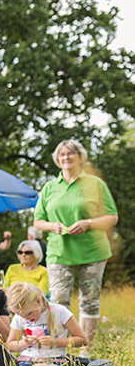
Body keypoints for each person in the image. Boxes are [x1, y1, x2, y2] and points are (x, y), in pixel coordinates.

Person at [34, 139, 118, 352]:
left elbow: (112, 217)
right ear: (57, 160)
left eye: (71, 153)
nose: (66, 157)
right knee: (58, 301)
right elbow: (38, 221)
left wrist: (87, 223)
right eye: (61, 154)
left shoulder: (95, 184)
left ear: (80, 157)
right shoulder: (50, 187)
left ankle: (86, 350)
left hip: (92, 251)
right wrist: (52, 225)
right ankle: (57, 349)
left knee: (89, 301)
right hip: (59, 253)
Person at [5, 282, 87, 366]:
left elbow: (82, 339)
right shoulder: (20, 317)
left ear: (38, 301)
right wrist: (25, 343)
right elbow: (11, 346)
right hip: (25, 364)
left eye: (29, 314)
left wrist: (55, 342)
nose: (26, 319)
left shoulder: (59, 311)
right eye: (22, 316)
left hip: (54, 362)